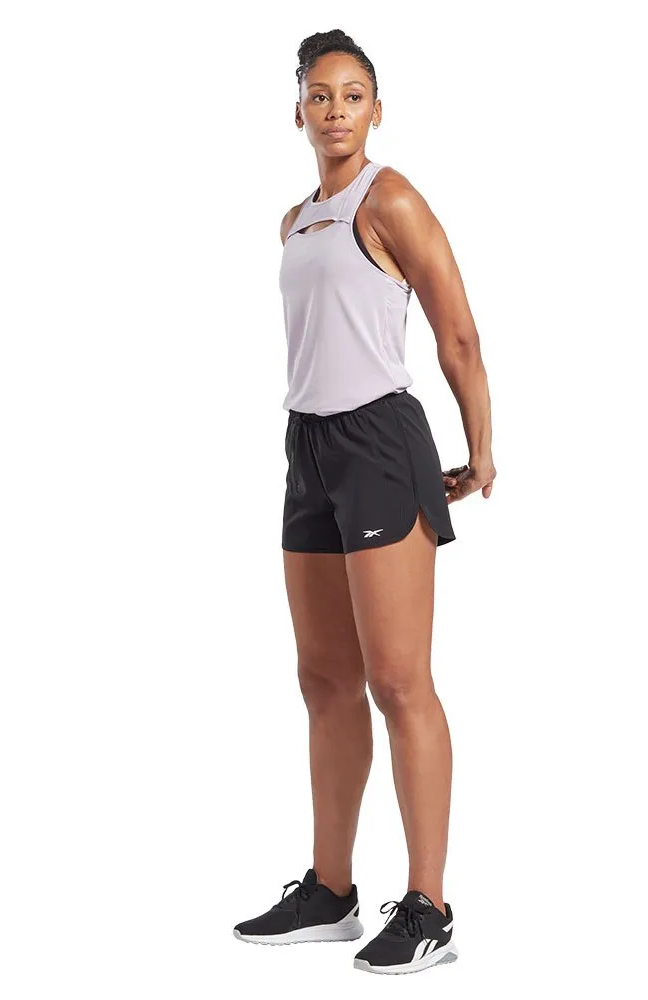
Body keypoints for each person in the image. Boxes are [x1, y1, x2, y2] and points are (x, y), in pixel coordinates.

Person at [233, 29, 496, 976]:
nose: (335, 110)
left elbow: (456, 331)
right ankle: (332, 891)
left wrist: (481, 445)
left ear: (376, 110)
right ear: (298, 111)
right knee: (323, 679)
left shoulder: (392, 199)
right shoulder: (295, 220)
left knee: (398, 680)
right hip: (308, 446)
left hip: (381, 442)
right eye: (320, 95)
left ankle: (430, 908)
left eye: (352, 95)